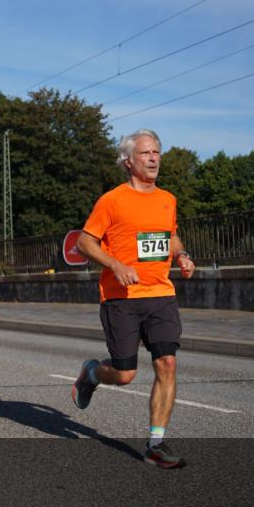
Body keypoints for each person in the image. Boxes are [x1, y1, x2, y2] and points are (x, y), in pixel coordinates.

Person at [71, 129, 196, 469]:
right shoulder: (111, 200)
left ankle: (155, 444)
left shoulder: (167, 199)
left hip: (160, 293)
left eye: (157, 152)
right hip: (120, 297)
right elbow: (84, 242)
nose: (154, 158)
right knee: (125, 375)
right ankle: (92, 375)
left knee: (167, 364)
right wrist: (115, 264)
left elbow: (169, 236)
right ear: (128, 161)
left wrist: (182, 255)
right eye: (145, 153)